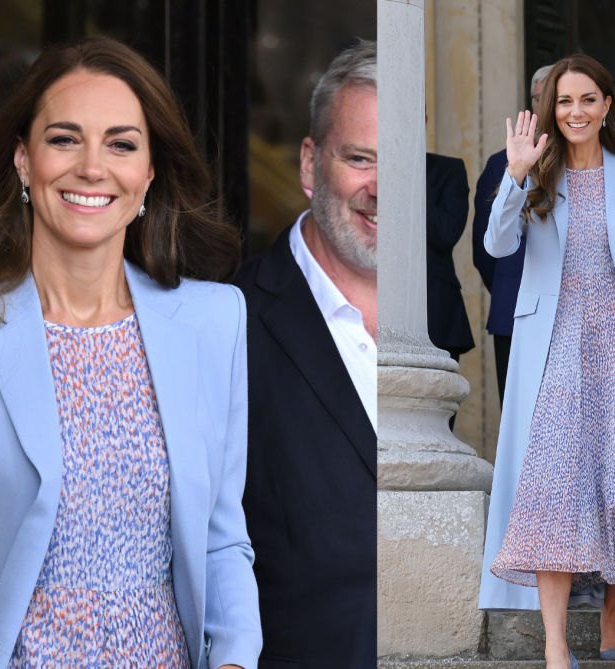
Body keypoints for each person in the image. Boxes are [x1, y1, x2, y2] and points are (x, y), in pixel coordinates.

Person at [0, 37, 260, 669]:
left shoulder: (213, 321)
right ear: (22, 160)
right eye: (64, 139)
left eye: (121, 144)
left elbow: (222, 542)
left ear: (149, 172)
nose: (93, 167)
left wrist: (232, 658)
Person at [479, 55, 615, 668]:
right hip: (552, 350)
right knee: (554, 493)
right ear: (550, 110)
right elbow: (497, 245)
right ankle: (555, 642)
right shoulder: (533, 173)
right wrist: (514, 177)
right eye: (565, 102)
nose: (576, 112)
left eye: (587, 99)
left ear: (607, 105)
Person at [233, 40, 377, 669]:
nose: (381, 189)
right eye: (360, 158)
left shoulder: (443, 329)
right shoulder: (228, 321)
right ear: (309, 162)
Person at [472, 64, 553, 405]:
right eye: (541, 98)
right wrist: (512, 286)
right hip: (513, 307)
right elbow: (484, 249)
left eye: (555, 98)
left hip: (569, 313)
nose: (547, 105)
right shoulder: (499, 163)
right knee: (518, 415)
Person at [426, 151, 473, 363]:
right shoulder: (367, 169)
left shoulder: (449, 169)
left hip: (435, 311)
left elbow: (446, 234)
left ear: (424, 120)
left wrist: (405, 175)